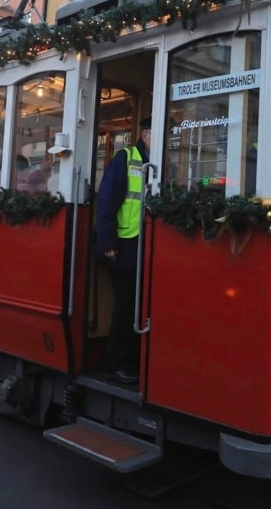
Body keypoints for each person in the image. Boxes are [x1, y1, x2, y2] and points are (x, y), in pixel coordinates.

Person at [96, 116, 152, 384]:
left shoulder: (159, 160)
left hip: (148, 243)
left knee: (139, 304)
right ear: (145, 134)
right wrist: (107, 243)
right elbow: (107, 201)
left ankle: (134, 360)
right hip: (125, 243)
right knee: (126, 305)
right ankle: (116, 363)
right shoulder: (126, 158)